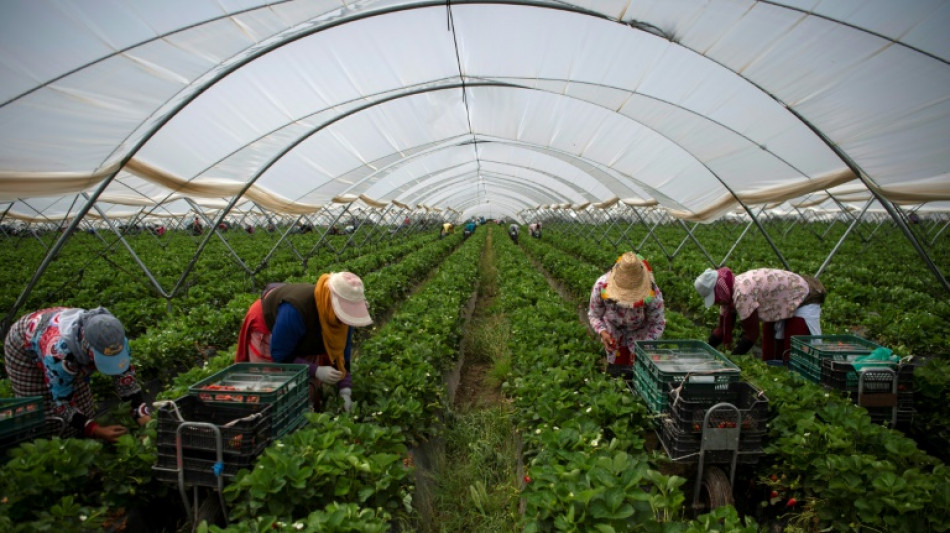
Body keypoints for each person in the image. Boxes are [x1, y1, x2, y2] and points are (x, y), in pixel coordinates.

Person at [3, 307, 151, 442]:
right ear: (87, 349)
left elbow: (127, 383)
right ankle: (49, 450)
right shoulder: (58, 354)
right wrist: (97, 430)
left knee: (85, 406)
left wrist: (144, 418)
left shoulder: (114, 338)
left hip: (62, 337)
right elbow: (62, 404)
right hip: (23, 344)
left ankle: (82, 440)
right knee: (44, 413)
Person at [235, 272, 373, 412]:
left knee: (305, 385)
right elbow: (279, 355)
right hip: (269, 323)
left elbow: (343, 353)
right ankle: (266, 421)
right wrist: (316, 370)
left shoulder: (341, 319)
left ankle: (306, 412)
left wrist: (345, 390)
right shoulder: (295, 310)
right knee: (272, 385)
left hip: (301, 328)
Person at [694, 267, 826, 362]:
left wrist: (731, 360)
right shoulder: (727, 296)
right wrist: (704, 351)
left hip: (801, 295)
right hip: (778, 304)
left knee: (792, 351)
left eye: (715, 297)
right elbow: (720, 330)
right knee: (770, 352)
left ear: (719, 290)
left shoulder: (742, 293)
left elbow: (751, 335)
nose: (717, 302)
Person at [588, 252, 666, 366]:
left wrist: (643, 347)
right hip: (613, 332)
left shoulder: (652, 293)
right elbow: (594, 315)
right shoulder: (601, 286)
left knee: (638, 371)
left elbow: (657, 323)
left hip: (641, 334)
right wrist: (603, 332)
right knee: (616, 368)